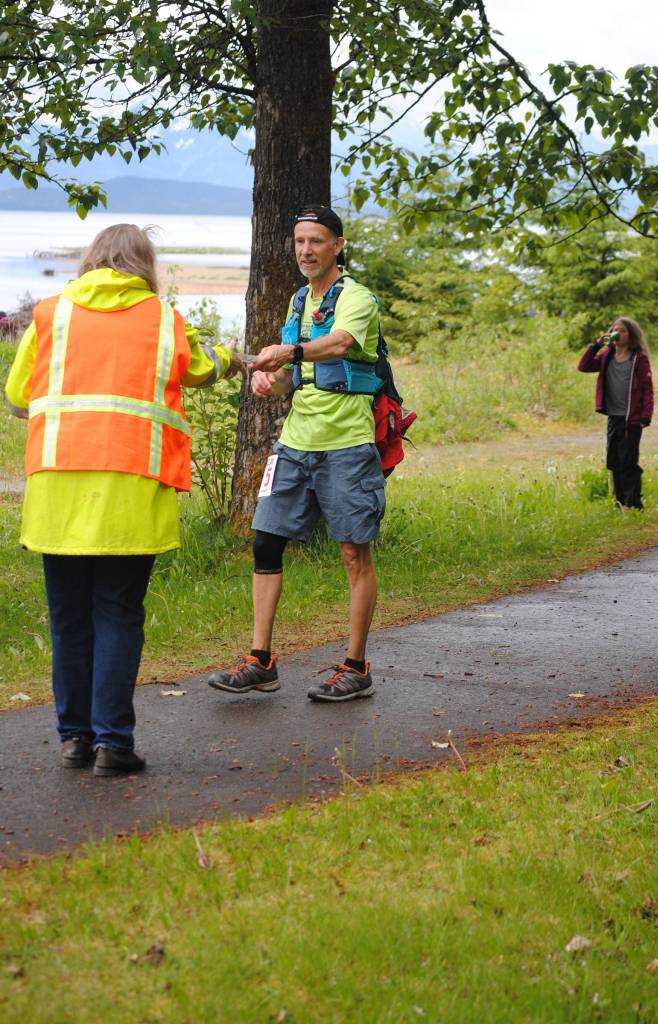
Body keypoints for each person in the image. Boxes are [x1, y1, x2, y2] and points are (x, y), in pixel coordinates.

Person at [4, 224, 246, 775]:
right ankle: (114, 744)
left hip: (58, 488)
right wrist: (233, 357)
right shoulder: (163, 318)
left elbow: (19, 397)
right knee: (116, 614)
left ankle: (74, 739)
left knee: (68, 620)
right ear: (145, 265)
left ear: (92, 259)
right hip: (133, 487)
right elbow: (203, 369)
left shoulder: (49, 314)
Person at [207, 205, 386, 702]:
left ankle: (356, 667)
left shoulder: (358, 298)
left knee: (353, 552)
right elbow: (291, 375)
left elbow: (339, 345)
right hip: (295, 443)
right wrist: (270, 378)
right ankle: (260, 661)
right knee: (265, 541)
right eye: (299, 242)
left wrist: (286, 354)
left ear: (338, 246)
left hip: (347, 444)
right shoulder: (297, 301)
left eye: (317, 241)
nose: (306, 251)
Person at [577, 316, 654, 509]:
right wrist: (596, 345)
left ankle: (634, 503)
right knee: (614, 461)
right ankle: (620, 502)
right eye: (614, 330)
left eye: (622, 330)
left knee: (629, 461)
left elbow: (647, 388)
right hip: (613, 416)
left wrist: (646, 415)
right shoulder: (606, 356)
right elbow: (584, 366)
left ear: (631, 335)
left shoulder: (638, 358)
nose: (616, 333)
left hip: (632, 418)